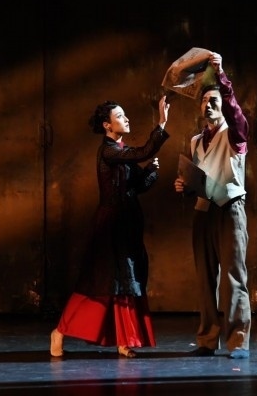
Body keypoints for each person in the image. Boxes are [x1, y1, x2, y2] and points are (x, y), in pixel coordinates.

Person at [50, 96, 170, 358]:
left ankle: (124, 341)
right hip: (110, 226)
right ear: (107, 125)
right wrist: (161, 123)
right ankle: (59, 331)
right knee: (99, 283)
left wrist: (150, 172)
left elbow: (136, 186)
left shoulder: (121, 151)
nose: (126, 119)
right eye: (120, 116)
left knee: (126, 282)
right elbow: (143, 152)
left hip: (127, 224)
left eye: (125, 115)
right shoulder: (108, 151)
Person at [174, 51, 251, 359]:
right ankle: (207, 339)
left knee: (233, 277)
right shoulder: (196, 140)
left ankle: (237, 341)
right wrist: (185, 186)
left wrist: (221, 78)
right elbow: (200, 177)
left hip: (229, 208)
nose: (208, 104)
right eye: (204, 100)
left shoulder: (234, 134)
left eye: (214, 100)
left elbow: (236, 115)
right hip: (203, 211)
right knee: (205, 280)